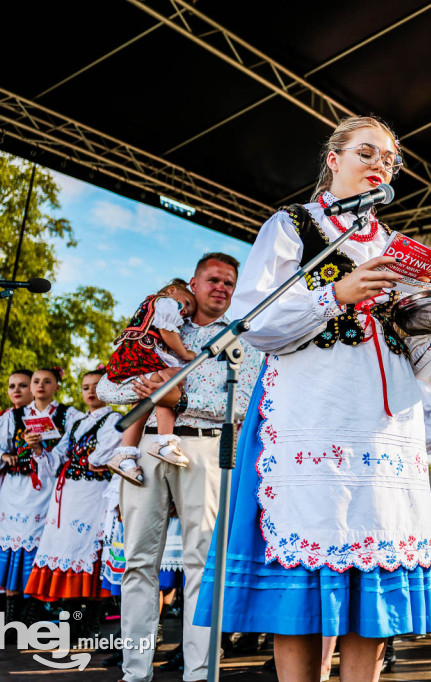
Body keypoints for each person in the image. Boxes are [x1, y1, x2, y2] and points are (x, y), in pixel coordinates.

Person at [192, 115, 431, 682]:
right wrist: (336, 293)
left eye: (390, 159)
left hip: (381, 428)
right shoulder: (292, 226)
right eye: (367, 153)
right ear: (333, 159)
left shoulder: (396, 250)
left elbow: (412, 362)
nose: (380, 164)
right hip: (310, 414)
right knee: (305, 592)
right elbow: (252, 321)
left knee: (371, 593)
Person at [97, 254, 261, 682]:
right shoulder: (158, 322)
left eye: (229, 282)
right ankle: (135, 672)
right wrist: (147, 387)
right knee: (138, 562)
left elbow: (243, 404)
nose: (221, 287)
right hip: (149, 444)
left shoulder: (244, 339)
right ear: (193, 282)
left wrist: (180, 399)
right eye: (213, 279)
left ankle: (200, 671)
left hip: (206, 450)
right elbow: (104, 386)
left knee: (200, 563)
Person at [24, 368, 119, 637]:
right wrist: (38, 448)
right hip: (69, 496)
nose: (90, 391)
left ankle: (90, 624)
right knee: (67, 552)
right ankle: (72, 624)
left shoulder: (114, 419)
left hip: (93, 495)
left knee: (88, 553)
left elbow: (102, 456)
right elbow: (56, 460)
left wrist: (79, 459)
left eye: (96, 386)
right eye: (85, 387)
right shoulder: (77, 424)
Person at [0, 367, 81, 621]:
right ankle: (11, 615)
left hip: (48, 488)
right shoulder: (14, 416)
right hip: (16, 488)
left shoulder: (67, 415)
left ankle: (35, 610)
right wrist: (3, 455)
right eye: (36, 381)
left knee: (43, 547)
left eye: (46, 382)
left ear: (56, 386)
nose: (40, 386)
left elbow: (78, 439)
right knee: (13, 549)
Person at [106, 279, 198, 484]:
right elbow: (167, 331)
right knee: (168, 386)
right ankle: (165, 442)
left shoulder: (148, 304)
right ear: (172, 291)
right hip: (142, 355)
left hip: (133, 358)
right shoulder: (166, 302)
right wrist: (184, 352)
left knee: (147, 399)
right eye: (187, 304)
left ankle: (125, 455)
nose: (186, 312)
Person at [0, 369, 33, 598]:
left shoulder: (49, 417)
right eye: (12, 386)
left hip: (31, 488)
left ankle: (30, 601)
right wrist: (1, 455)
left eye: (22, 385)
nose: (16, 390)